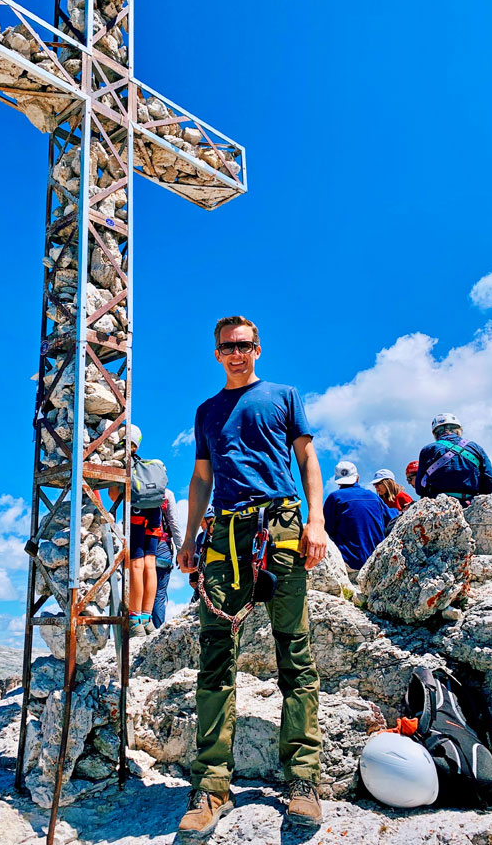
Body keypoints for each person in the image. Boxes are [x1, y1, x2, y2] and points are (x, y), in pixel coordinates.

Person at [177, 315, 328, 835]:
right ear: (216, 353)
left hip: (281, 525)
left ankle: (303, 780)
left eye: (244, 345)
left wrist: (317, 521)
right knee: (216, 653)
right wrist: (189, 535)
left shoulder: (284, 396)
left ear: (258, 348)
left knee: (294, 647)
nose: (236, 353)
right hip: (224, 534)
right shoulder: (206, 411)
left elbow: (307, 458)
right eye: (227, 347)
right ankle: (211, 785)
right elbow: (201, 478)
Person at [109, 425, 161, 637]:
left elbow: (114, 495)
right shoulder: (148, 467)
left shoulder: (125, 464)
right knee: (151, 564)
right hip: (154, 513)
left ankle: (134, 618)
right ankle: (147, 618)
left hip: (137, 513)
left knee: (136, 565)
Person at [323, 461, 396, 580]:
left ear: (338, 481)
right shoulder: (374, 497)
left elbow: (327, 529)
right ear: (357, 478)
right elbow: (391, 519)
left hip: (349, 562)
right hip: (374, 561)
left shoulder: (335, 498)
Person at [416, 413, 492, 507]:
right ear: (458, 430)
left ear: (435, 433)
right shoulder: (475, 447)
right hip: (470, 505)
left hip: (439, 507)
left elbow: (420, 488)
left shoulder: (428, 450)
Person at [151, 487, 184, 629]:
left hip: (139, 547)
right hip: (163, 547)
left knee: (139, 589)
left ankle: (140, 627)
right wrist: (180, 549)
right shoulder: (167, 493)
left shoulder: (136, 490)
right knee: (159, 594)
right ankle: (156, 630)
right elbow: (173, 523)